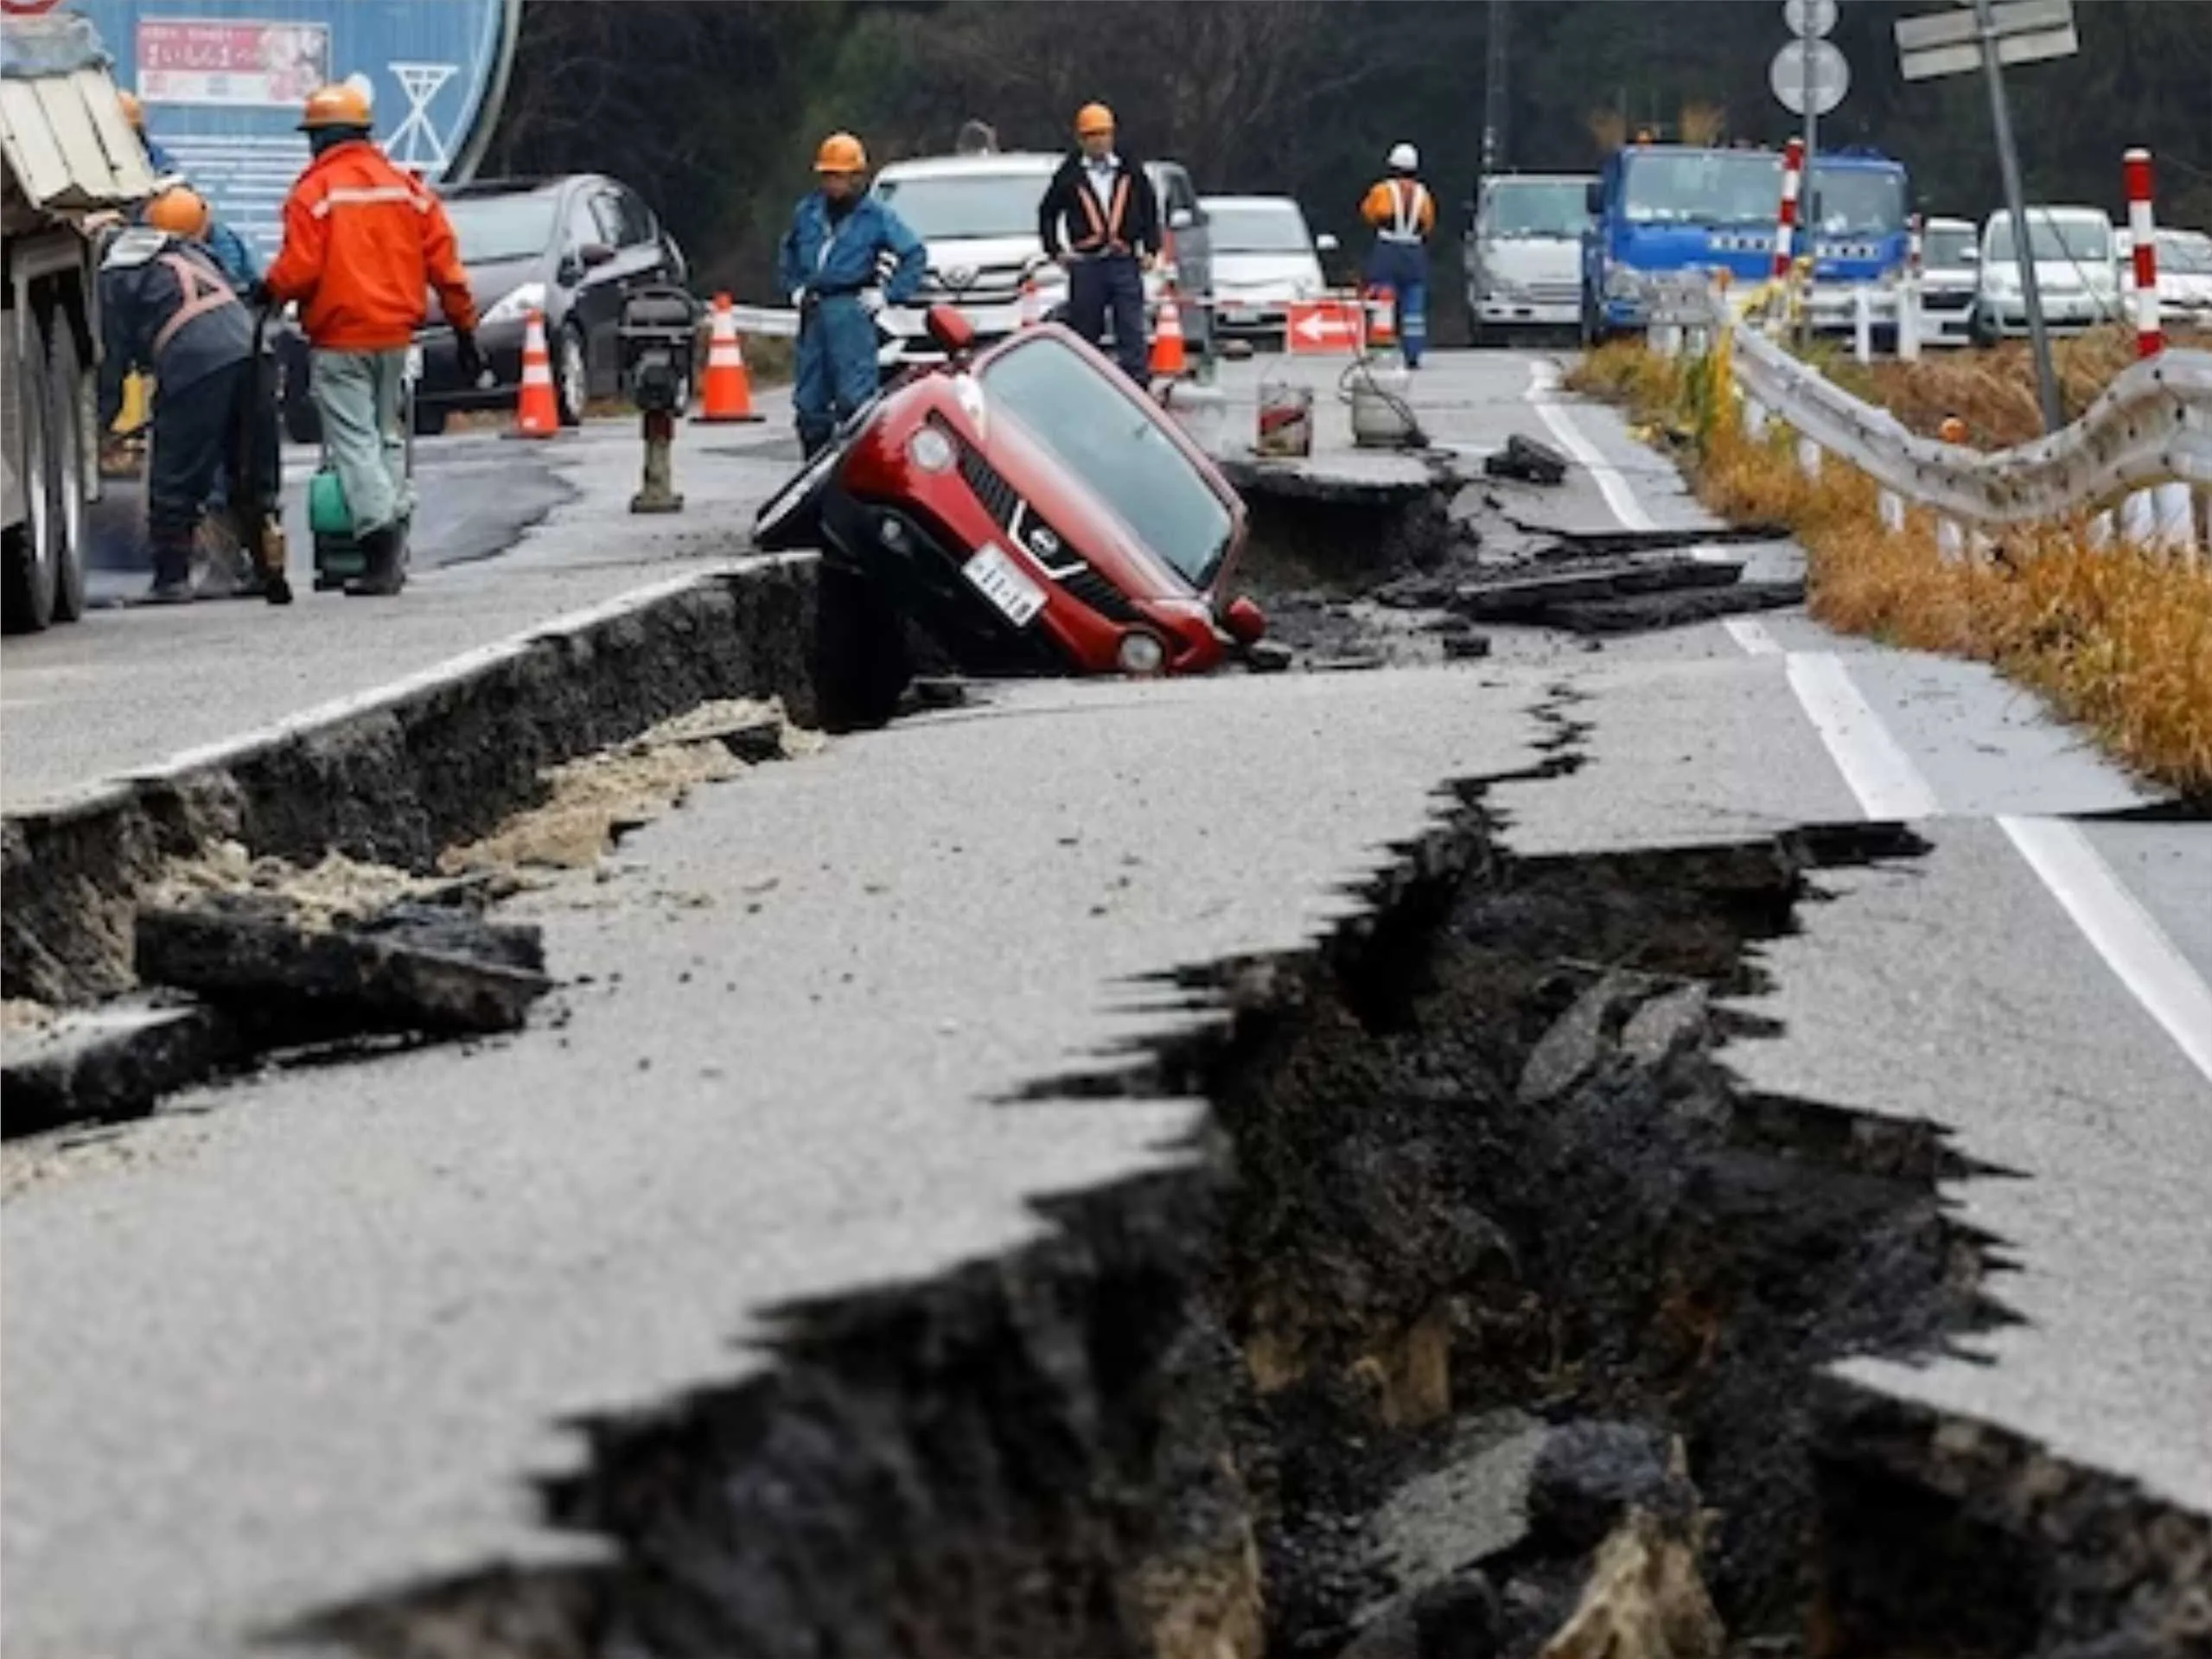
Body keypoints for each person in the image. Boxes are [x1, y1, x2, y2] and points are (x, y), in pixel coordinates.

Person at [261, 81, 481, 597]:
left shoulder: (315, 193)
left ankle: (379, 548)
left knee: (354, 443)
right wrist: (465, 330)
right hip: (396, 339)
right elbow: (446, 269)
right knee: (384, 436)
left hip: (341, 339)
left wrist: (267, 289)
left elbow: (299, 268)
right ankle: (393, 534)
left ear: (322, 138)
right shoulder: (406, 188)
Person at [96, 188, 279, 603]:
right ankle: (263, 568)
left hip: (197, 360)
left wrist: (101, 423)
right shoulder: (197, 255)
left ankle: (171, 578)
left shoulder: (118, 274)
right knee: (249, 465)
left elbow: (114, 356)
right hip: (255, 353)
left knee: (176, 468)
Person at [776, 131, 925, 459]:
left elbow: (913, 253)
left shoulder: (876, 217)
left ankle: (853, 470)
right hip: (814, 310)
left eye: (839, 176)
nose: (832, 184)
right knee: (809, 403)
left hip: (851, 310)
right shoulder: (808, 212)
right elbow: (788, 251)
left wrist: (888, 295)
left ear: (857, 177)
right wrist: (795, 286)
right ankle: (812, 468)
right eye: (828, 176)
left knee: (855, 401)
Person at [1036, 103, 1159, 383]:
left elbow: (1149, 209)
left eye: (1105, 134)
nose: (1100, 141)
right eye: (1093, 135)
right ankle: (1086, 384)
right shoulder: (1069, 174)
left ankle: (1136, 383)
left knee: (1131, 328)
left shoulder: (1129, 169)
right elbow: (1047, 213)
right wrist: (1056, 251)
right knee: (1085, 331)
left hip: (1124, 260)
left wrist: (1151, 249)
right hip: (1087, 265)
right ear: (1081, 140)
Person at [1360, 143, 1435, 368]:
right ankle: (1413, 353)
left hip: (1387, 249)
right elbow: (1429, 223)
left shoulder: (1382, 190)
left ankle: (1381, 351)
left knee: (1383, 299)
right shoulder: (1423, 193)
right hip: (1414, 250)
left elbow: (1368, 213)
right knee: (1414, 304)